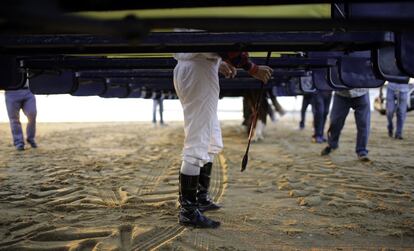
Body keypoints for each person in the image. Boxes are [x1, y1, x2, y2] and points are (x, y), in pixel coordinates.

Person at [173, 51, 272, 228]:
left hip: (199, 66)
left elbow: (200, 44)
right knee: (198, 142)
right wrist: (252, 68)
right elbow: (213, 40)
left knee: (211, 138)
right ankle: (188, 212)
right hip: (198, 69)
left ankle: (200, 198)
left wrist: (218, 63)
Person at [321, 88, 371, 162]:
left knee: (364, 123)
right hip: (341, 93)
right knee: (335, 121)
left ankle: (362, 151)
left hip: (361, 93)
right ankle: (332, 144)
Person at [5, 81, 37, 151]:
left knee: (32, 114)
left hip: (28, 90)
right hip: (11, 91)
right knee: (14, 119)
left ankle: (31, 138)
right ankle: (19, 142)